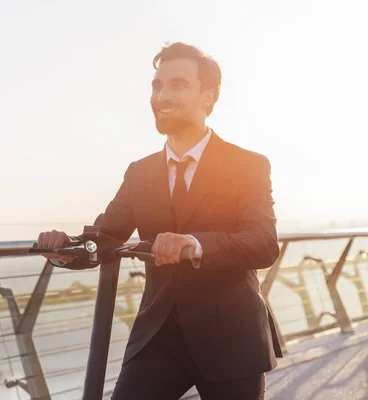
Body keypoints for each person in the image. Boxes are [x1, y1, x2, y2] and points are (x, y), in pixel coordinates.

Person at [36, 41, 282, 400]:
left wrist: (194, 244)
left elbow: (263, 243)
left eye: (178, 84)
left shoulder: (247, 165)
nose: (162, 95)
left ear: (208, 97)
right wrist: (63, 249)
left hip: (231, 337)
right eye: (157, 86)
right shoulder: (140, 173)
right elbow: (105, 237)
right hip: (158, 338)